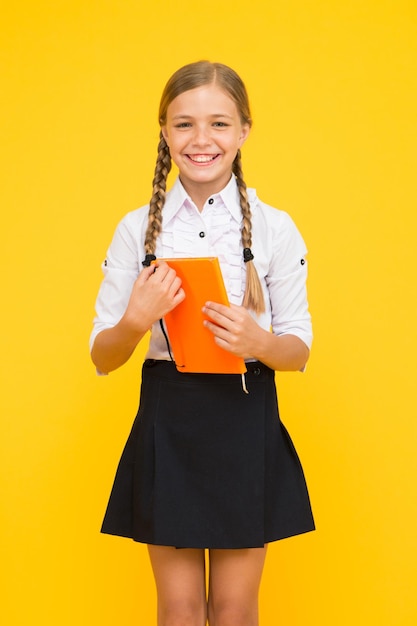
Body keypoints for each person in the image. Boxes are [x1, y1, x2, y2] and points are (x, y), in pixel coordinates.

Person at [90, 60, 314, 626]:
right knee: (180, 609)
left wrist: (258, 340)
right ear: (164, 132)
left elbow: (299, 350)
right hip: (170, 416)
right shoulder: (138, 227)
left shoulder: (274, 227)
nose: (202, 139)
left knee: (236, 610)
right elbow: (103, 355)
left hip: (245, 415)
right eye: (184, 124)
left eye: (219, 123)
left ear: (244, 131)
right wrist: (136, 321)